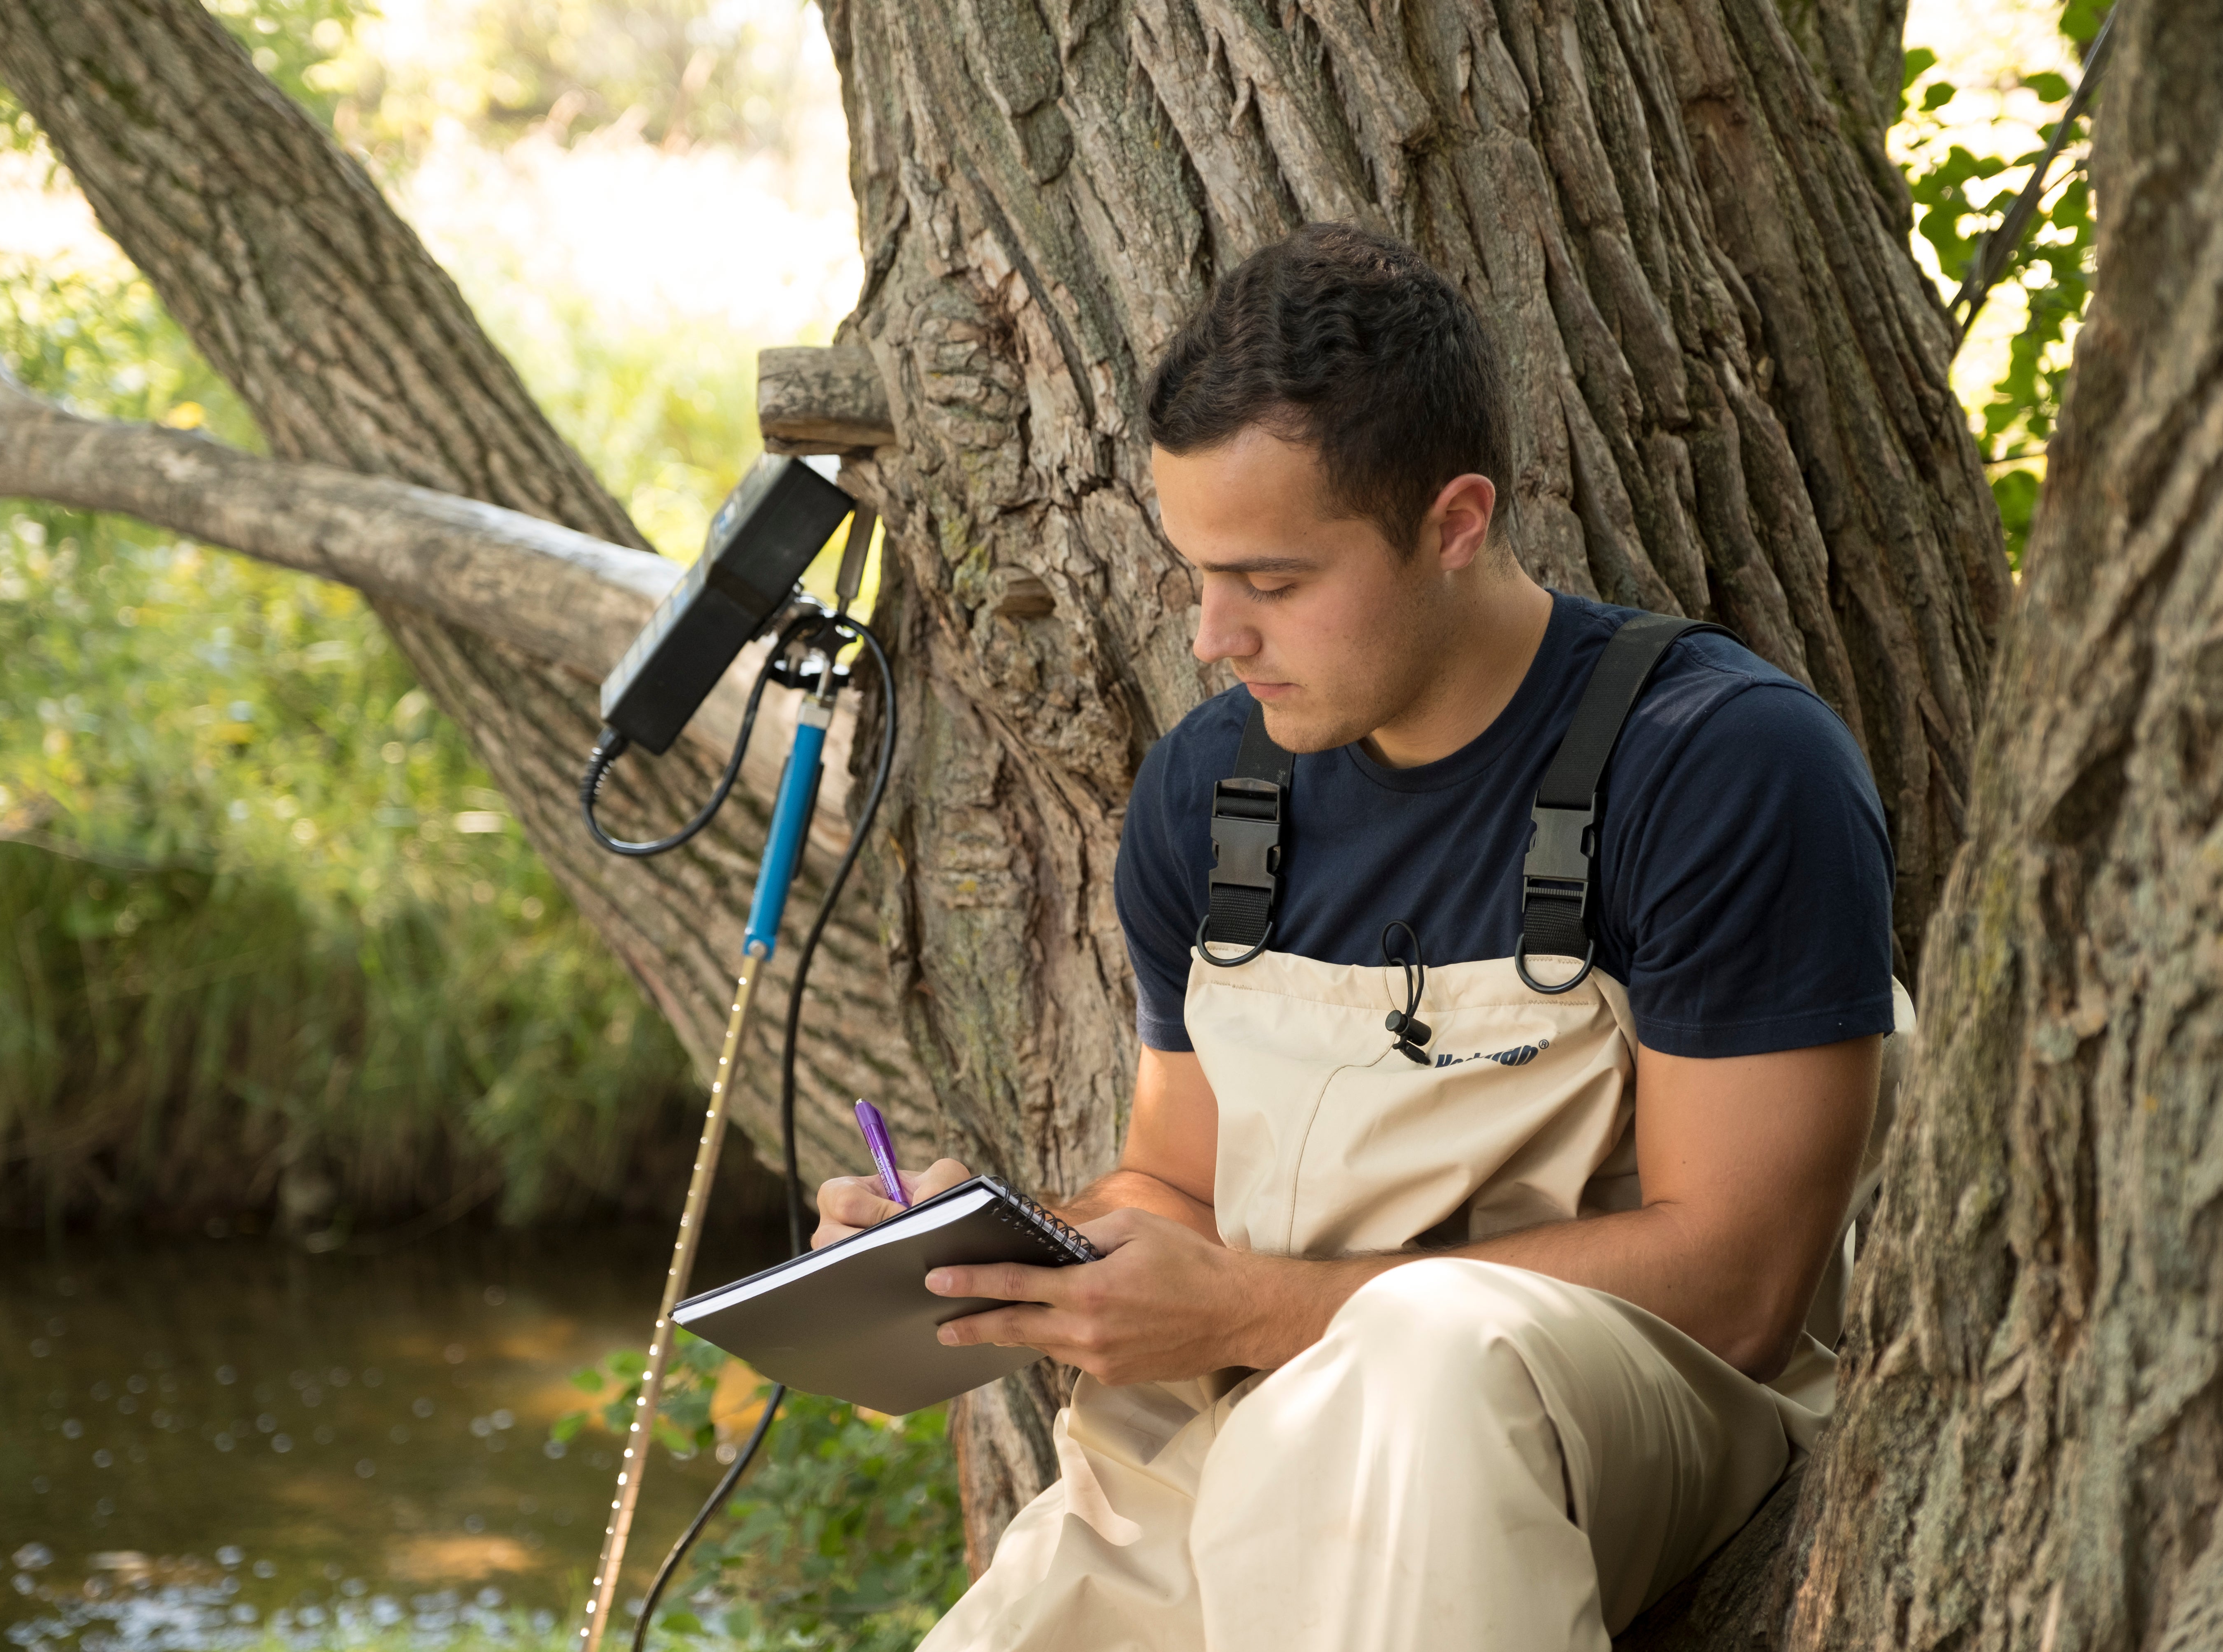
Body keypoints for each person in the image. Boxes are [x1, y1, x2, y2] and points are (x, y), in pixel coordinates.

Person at [815, 222, 1909, 1651]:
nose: (1215, 638)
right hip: (1264, 1409)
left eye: (1271, 584)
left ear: (1456, 524)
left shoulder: (1722, 764)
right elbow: (1179, 1181)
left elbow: (1743, 1287)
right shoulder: (1213, 790)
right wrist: (1009, 1251)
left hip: (1617, 1413)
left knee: (1421, 1362)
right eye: (1199, 574)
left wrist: (1254, 1311)